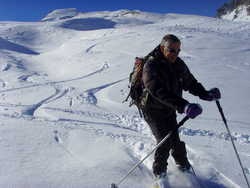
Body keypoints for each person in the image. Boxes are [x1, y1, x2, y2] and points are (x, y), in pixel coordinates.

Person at [141, 34, 221, 179]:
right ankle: (159, 174)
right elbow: (156, 89)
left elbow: (190, 83)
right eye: (172, 50)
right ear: (162, 48)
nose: (175, 54)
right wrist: (183, 105)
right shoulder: (151, 65)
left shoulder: (178, 64)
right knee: (164, 142)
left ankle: (183, 165)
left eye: (178, 51)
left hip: (169, 109)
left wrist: (206, 94)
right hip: (152, 110)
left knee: (176, 142)